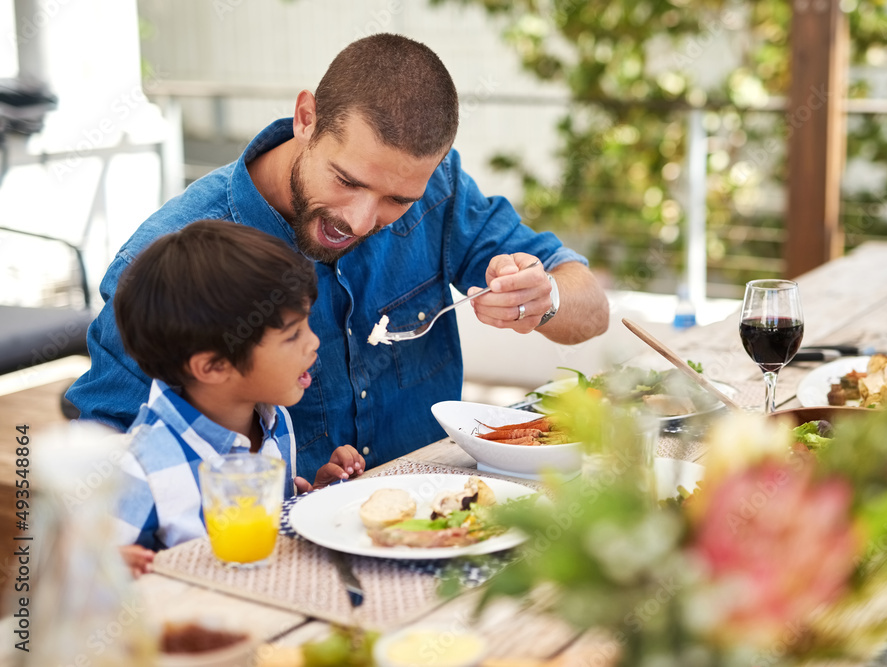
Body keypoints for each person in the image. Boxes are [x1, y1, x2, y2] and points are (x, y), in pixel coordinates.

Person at [68, 33, 610, 484]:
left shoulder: (439, 189)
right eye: (347, 180)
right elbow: (102, 464)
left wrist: (546, 298)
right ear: (306, 117)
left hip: (449, 516)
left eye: (398, 200)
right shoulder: (162, 262)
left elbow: (592, 311)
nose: (359, 219)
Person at [112, 221, 364, 573]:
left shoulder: (274, 420)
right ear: (214, 367)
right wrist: (105, 572)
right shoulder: (140, 470)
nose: (313, 342)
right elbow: (90, 586)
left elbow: (267, 536)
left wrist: (309, 499)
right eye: (292, 336)